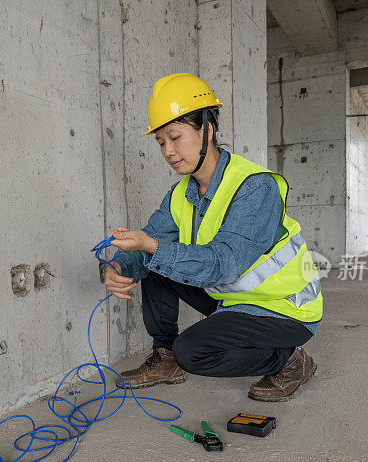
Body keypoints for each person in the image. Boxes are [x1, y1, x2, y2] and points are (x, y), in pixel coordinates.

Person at [105, 73, 322, 402]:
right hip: (232, 298)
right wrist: (120, 266)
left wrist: (151, 247)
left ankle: (290, 360)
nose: (168, 151)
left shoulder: (255, 187)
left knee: (193, 353)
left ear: (206, 129)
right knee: (154, 261)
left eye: (176, 137)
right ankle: (165, 360)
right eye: (161, 142)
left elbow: (226, 264)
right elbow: (149, 242)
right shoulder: (180, 195)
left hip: (283, 308)